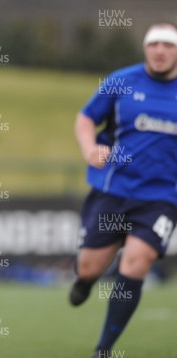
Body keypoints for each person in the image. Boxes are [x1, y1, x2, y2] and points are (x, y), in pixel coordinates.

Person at [70, 22, 177, 357]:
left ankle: (104, 348)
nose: (160, 51)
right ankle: (86, 281)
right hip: (114, 189)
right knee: (89, 266)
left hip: (163, 198)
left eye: (169, 45)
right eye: (154, 44)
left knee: (136, 263)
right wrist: (90, 149)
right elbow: (86, 119)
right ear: (146, 48)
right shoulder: (121, 81)